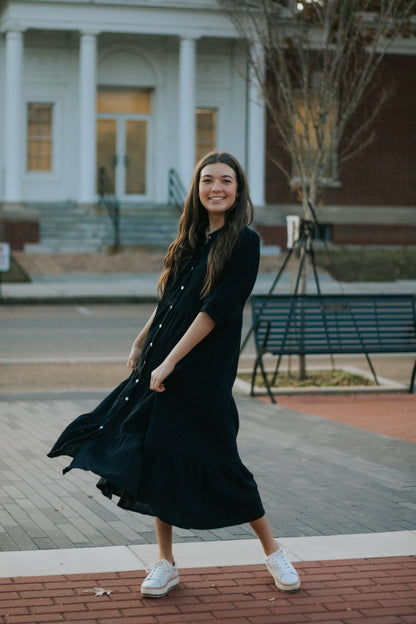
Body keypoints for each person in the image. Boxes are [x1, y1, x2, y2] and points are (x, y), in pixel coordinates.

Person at [48, 151, 300, 597]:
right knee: (157, 459)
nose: (216, 188)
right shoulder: (191, 238)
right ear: (197, 188)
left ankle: (273, 551)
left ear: (238, 189)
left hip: (200, 370)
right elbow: (170, 300)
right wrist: (142, 339)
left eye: (226, 180)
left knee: (223, 461)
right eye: (208, 180)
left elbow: (216, 311)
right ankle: (165, 562)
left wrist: (172, 361)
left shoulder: (245, 242)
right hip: (162, 363)